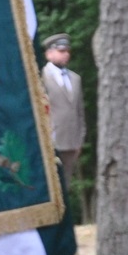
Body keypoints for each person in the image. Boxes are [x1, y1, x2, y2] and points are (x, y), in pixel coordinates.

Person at [41, 32, 86, 179]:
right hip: (50, 141)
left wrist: (80, 139)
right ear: (49, 53)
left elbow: (79, 111)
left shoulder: (75, 79)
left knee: (66, 184)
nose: (65, 54)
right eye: (61, 51)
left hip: (72, 142)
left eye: (67, 51)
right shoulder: (41, 77)